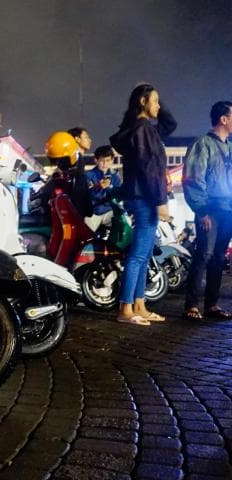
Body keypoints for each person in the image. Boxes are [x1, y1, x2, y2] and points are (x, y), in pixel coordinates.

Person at [109, 83, 177, 326]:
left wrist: (157, 100)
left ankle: (139, 304)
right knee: (138, 255)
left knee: (144, 252)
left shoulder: (142, 128)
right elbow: (150, 168)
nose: (158, 105)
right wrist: (160, 201)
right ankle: (126, 308)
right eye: (155, 101)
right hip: (145, 197)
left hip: (141, 196)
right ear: (142, 102)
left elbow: (170, 124)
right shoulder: (142, 129)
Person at [181, 101, 232, 320]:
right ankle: (191, 305)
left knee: (219, 258)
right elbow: (193, 178)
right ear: (224, 119)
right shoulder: (202, 144)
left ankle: (211, 304)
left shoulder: (229, 146)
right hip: (210, 208)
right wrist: (201, 210)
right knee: (203, 254)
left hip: (228, 209)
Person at [84, 145, 121, 231]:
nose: (105, 164)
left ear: (112, 161)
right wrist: (99, 187)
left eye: (108, 160)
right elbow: (87, 197)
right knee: (87, 235)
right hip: (93, 213)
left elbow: (118, 195)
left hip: (109, 211)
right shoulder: (88, 176)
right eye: (102, 161)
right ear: (96, 160)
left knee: (124, 223)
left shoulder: (115, 176)